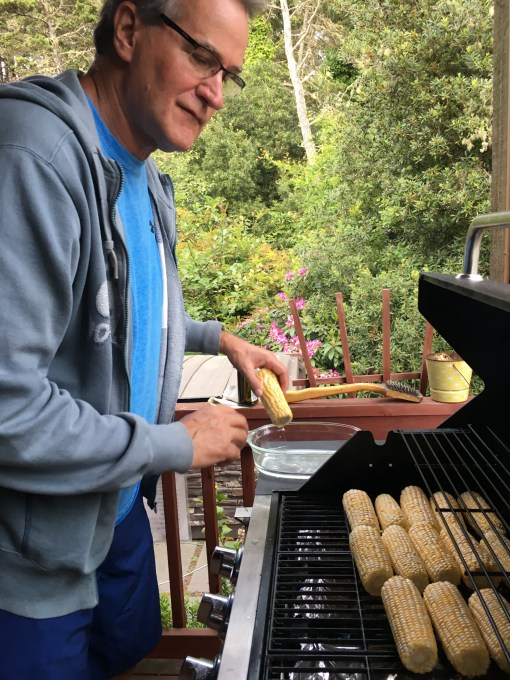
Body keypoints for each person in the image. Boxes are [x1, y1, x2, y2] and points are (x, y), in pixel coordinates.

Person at [0, 0, 288, 677]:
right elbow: (8, 406)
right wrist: (174, 445)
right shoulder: (33, 159)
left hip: (115, 509)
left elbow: (112, 312)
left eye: (228, 74)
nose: (216, 95)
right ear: (128, 30)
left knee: (126, 647)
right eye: (201, 58)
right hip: (31, 562)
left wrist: (219, 340)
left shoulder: (143, 174)